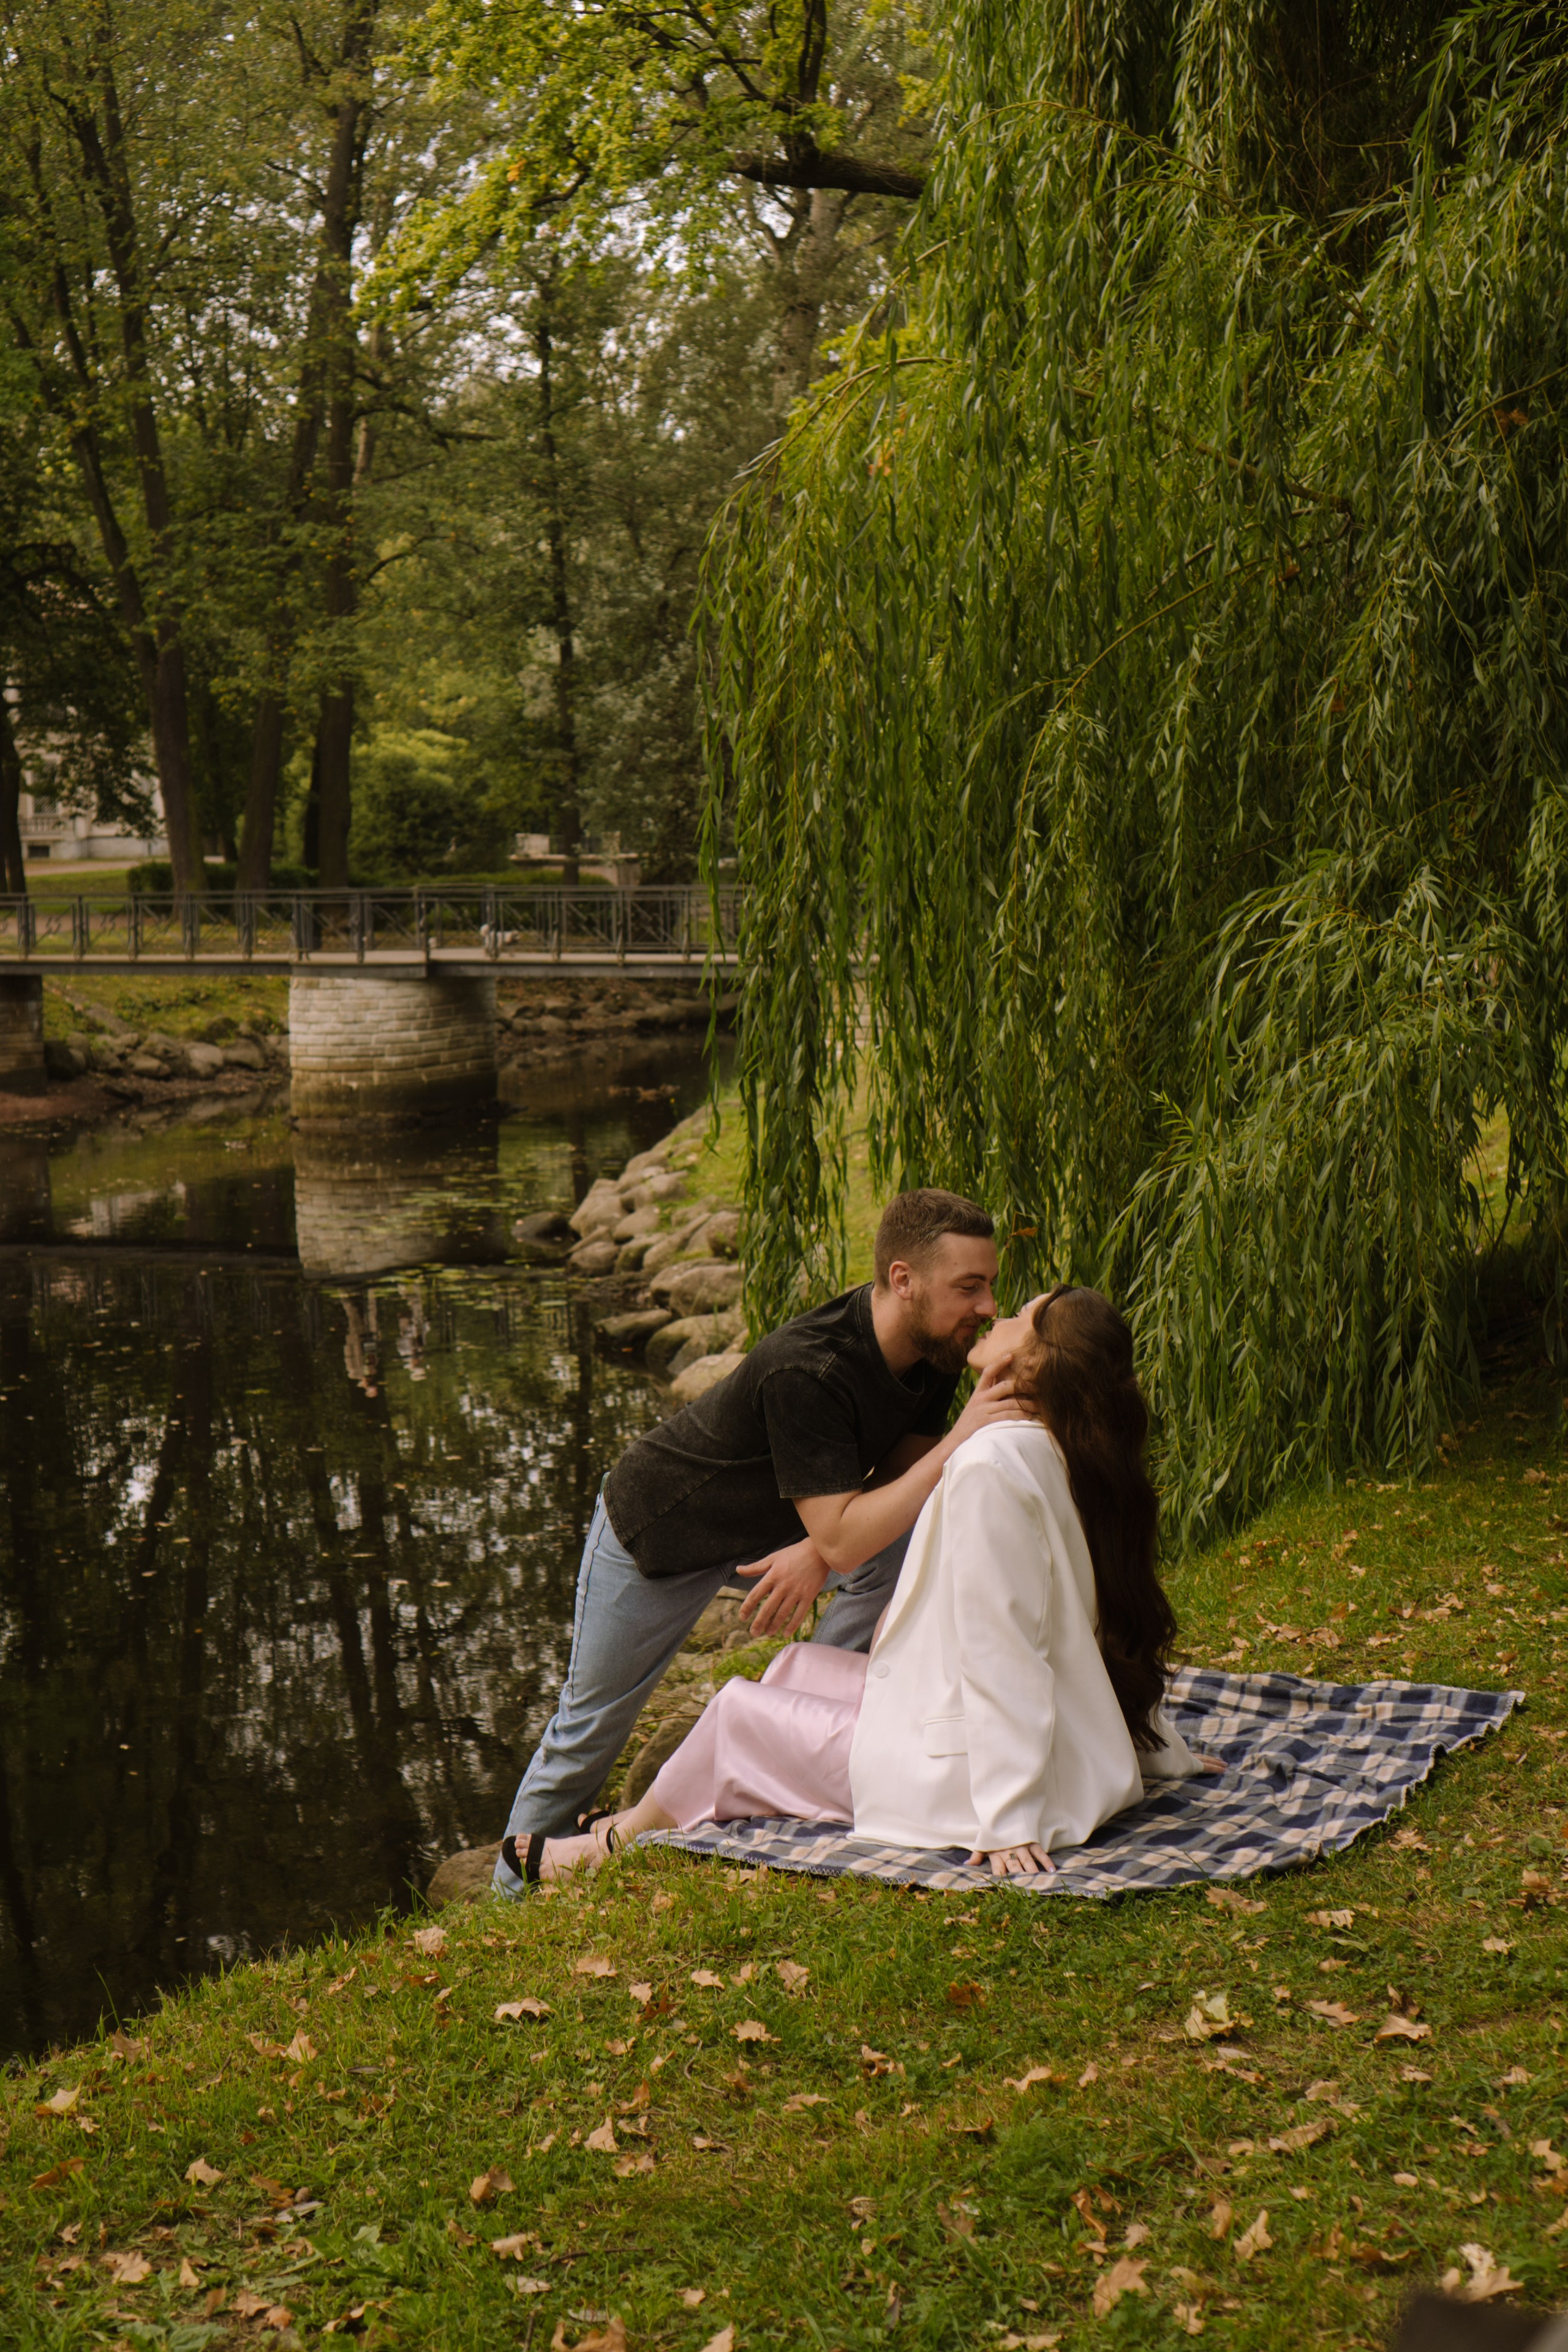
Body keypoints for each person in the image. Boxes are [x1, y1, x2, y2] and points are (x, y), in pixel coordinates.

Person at [537, 1286, 1204, 1882]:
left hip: (963, 1775)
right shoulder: (1069, 1446)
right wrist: (1157, 1751)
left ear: (1035, 1360)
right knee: (796, 1662)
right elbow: (1111, 1618)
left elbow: (1002, 1649)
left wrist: (1007, 1819)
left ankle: (612, 1844)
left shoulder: (990, 1466)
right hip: (988, 1728)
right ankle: (644, 1820)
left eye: (1019, 1317)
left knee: (737, 1713)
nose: (996, 1316)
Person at [494, 1188, 1030, 1894]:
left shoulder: (929, 1351)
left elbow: (902, 1481)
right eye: (971, 1287)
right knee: (587, 1731)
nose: (988, 1306)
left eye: (989, 1286)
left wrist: (823, 1546)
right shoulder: (808, 1368)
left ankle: (799, 1743)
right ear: (904, 1280)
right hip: (657, 1536)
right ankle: (507, 1901)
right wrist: (850, 1527)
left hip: (778, 1531)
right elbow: (864, 1517)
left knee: (895, 1550)